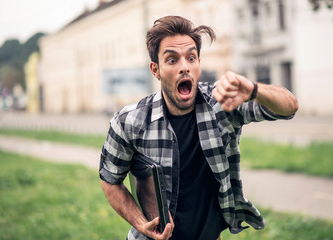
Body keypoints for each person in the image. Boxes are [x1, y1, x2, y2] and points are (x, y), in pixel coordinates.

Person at [99, 15, 298, 240]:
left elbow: (288, 107)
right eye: (172, 60)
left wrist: (254, 90)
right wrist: (141, 223)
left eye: (191, 58)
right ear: (156, 70)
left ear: (199, 64)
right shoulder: (129, 121)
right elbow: (110, 180)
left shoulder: (223, 104)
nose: (185, 67)